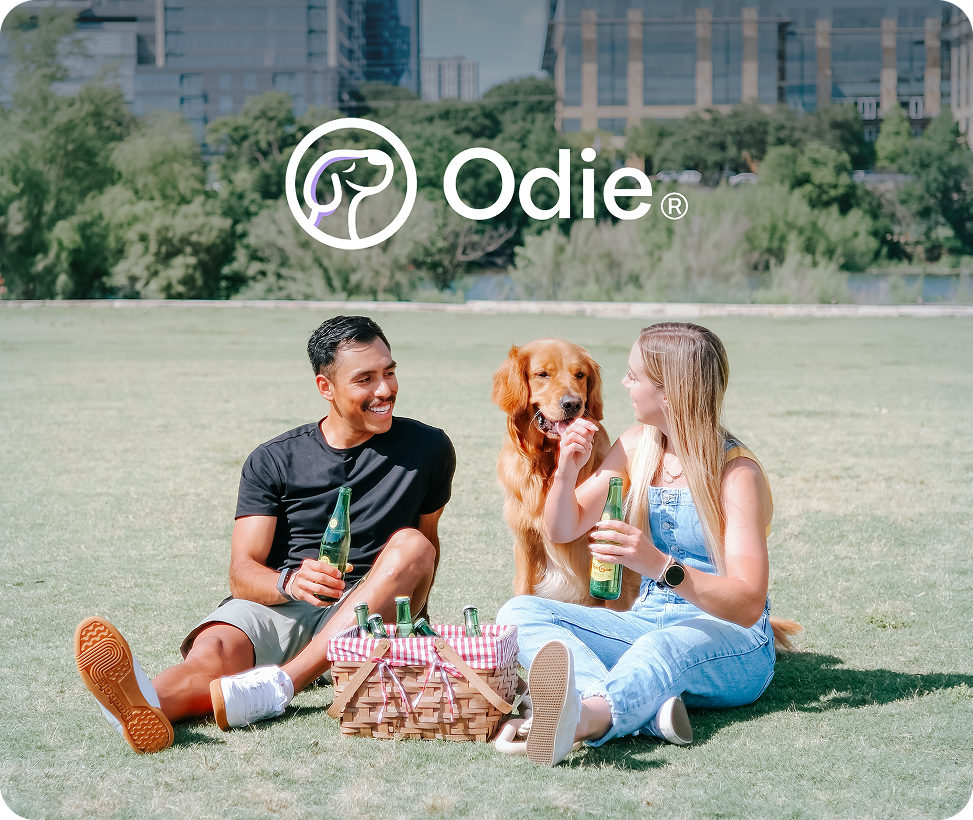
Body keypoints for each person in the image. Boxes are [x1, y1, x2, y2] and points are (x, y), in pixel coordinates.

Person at [75, 315, 456, 754]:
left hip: (369, 610)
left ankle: (281, 685)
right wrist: (290, 581)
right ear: (325, 387)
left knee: (413, 544)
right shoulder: (273, 460)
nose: (385, 390)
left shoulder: (429, 448)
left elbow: (426, 552)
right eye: (365, 379)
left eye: (389, 372)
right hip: (284, 603)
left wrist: (405, 619)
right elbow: (242, 574)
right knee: (214, 651)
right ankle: (141, 705)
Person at [497, 321, 782, 766]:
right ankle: (645, 713)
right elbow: (562, 528)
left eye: (635, 375)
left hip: (733, 641)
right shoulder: (636, 446)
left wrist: (658, 564)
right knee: (518, 613)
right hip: (650, 619)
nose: (624, 383)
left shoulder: (735, 473)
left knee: (658, 649)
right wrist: (569, 468)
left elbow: (747, 604)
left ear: (669, 390)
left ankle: (580, 721)